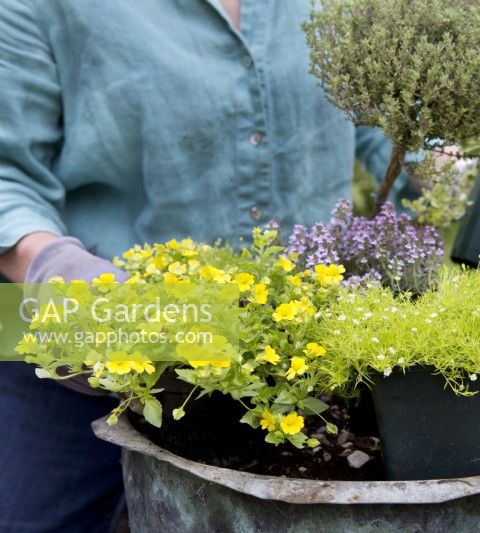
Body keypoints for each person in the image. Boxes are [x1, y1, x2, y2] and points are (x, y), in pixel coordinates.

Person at [0, 1, 409, 531]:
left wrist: (450, 166)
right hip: (95, 349)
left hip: (301, 354)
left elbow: (392, 117)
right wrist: (54, 266)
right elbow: (9, 174)